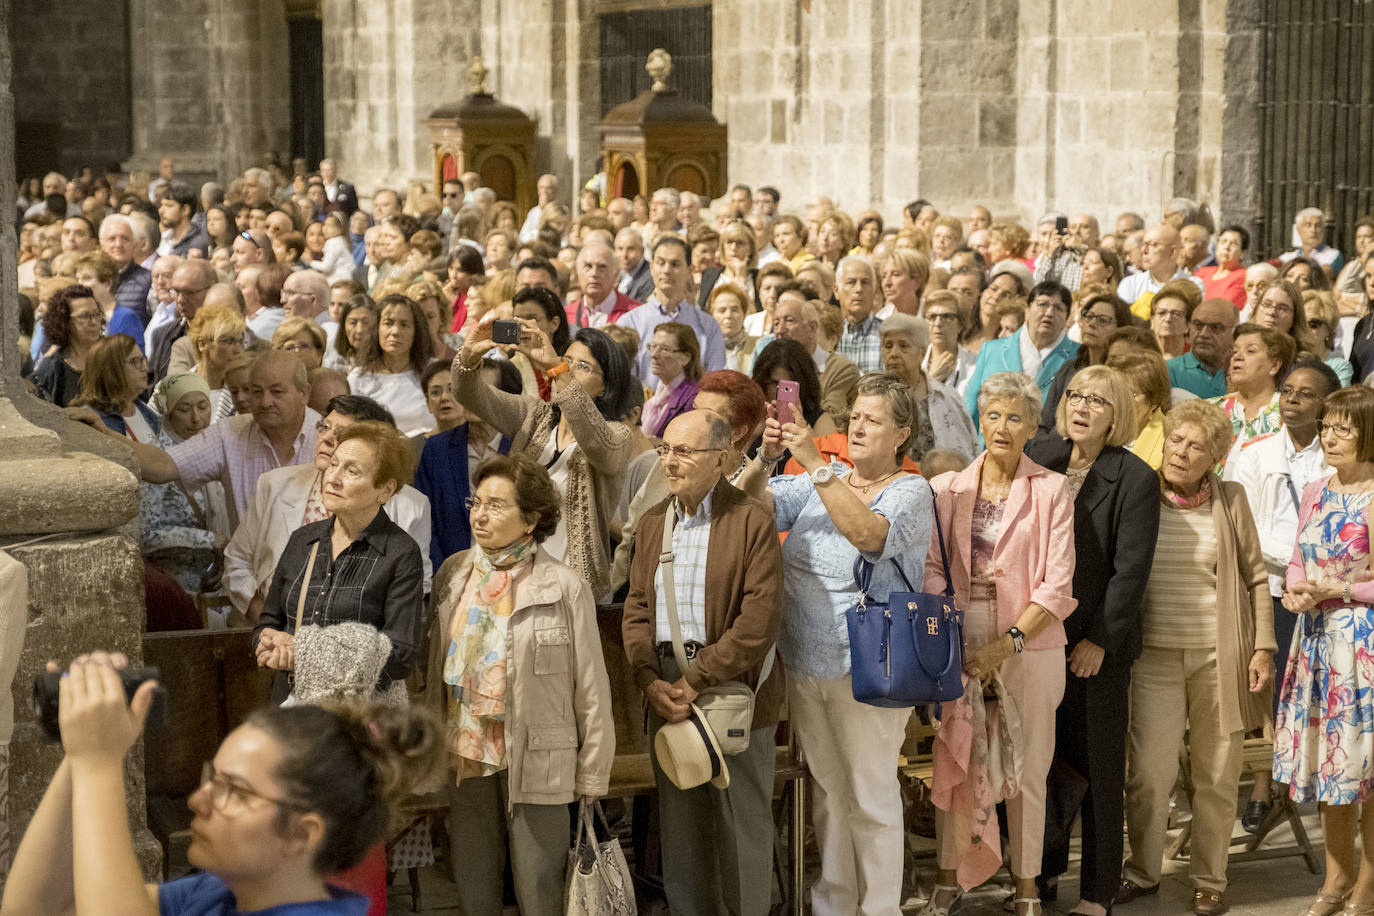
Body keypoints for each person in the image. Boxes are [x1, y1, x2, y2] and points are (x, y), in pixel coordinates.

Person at [0, 650, 441, 916]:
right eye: (213, 778)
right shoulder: (222, 893)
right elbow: (36, 910)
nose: (198, 799)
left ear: (300, 833)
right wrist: (79, 753)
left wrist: (99, 762)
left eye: (233, 790)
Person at [739, 372, 934, 916]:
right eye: (854, 418)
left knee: (870, 795)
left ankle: (878, 909)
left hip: (869, 663)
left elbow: (871, 537)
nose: (858, 426)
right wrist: (767, 455)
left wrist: (818, 465)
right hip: (804, 658)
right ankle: (834, 904)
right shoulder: (827, 477)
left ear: (902, 433)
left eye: (873, 419)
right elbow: (753, 507)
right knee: (827, 792)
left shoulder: (910, 490)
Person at [424, 453, 614, 916]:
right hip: (467, 750)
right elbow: (436, 673)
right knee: (473, 890)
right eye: (476, 502)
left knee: (540, 891)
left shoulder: (563, 585)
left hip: (540, 755)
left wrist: (593, 771)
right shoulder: (455, 573)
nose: (479, 515)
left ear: (531, 519)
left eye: (496, 505)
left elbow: (590, 686)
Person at [921, 371, 1076, 916]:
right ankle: (947, 877)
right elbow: (933, 567)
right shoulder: (947, 488)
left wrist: (1004, 644)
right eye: (993, 415)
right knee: (957, 760)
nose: (1002, 426)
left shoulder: (1053, 489)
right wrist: (961, 639)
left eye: (1015, 416)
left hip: (1029, 645)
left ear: (1033, 425)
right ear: (979, 420)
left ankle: (1027, 885)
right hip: (959, 644)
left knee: (1028, 770)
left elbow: (1057, 585)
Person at [622, 410, 784, 916]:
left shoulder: (751, 519)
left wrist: (697, 678)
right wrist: (649, 678)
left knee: (741, 824)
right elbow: (636, 610)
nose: (670, 461)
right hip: (666, 689)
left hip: (731, 688)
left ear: (722, 459)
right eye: (665, 449)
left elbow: (759, 621)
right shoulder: (653, 523)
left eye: (684, 451)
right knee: (681, 828)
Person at [1118, 398, 1275, 916]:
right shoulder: (1141, 494)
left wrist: (1263, 647)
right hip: (1152, 658)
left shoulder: (1230, 499)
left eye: (1196, 446)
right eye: (1176, 440)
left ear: (1216, 457)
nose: (1181, 452)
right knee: (1148, 773)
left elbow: (1256, 576)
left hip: (1218, 656)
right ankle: (1143, 871)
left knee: (1217, 772)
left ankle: (1211, 877)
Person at [1026, 367, 1161, 916]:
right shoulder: (1042, 456)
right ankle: (1041, 876)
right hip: (1040, 638)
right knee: (1043, 765)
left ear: (1118, 414)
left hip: (1095, 647)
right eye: (1076, 395)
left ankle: (1098, 890)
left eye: (1098, 401)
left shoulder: (1134, 476)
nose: (1082, 407)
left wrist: (1100, 641)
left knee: (1099, 769)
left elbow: (1130, 572)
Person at [1229, 358, 1341, 833]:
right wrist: (1301, 561)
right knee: (1266, 692)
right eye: (1288, 390)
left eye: (1306, 393)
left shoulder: (1337, 455)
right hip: (1270, 588)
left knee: (1316, 692)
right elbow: (1244, 526)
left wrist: (1318, 573)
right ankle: (1262, 784)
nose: (1293, 399)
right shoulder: (1255, 452)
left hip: (1324, 594)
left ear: (1326, 406)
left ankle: (1311, 778)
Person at [1275, 385, 1374, 916]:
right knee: (1333, 770)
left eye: (1344, 428)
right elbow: (1296, 557)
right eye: (1327, 426)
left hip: (1362, 645)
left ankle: (1367, 887)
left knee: (1366, 773)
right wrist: (1294, 588)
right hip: (1314, 641)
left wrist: (1336, 590)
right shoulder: (1316, 488)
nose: (1329, 436)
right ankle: (1336, 880)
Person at [454, 319, 635, 597]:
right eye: (567, 360)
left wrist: (560, 369)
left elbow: (599, 447)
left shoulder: (619, 435)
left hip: (573, 587)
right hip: (511, 577)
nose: (569, 369)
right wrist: (469, 355)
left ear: (605, 387)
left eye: (582, 367)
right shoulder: (534, 415)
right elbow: (472, 395)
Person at [253, 420, 425, 704]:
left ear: (385, 489)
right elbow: (269, 622)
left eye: (352, 471)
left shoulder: (399, 552)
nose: (333, 477)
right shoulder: (303, 541)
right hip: (294, 707)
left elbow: (400, 656)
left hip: (360, 718)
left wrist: (303, 653)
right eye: (333, 464)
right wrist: (269, 644)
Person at [226, 394, 433, 622]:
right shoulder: (273, 485)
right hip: (278, 636)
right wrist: (267, 621)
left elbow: (415, 587)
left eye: (341, 434)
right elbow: (237, 564)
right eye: (324, 427)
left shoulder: (411, 506)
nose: (326, 438)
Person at [413, 359, 514, 570]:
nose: (470, 397)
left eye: (481, 390)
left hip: (512, 572)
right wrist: (445, 573)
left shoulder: (521, 448)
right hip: (450, 573)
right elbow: (424, 523)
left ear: (505, 398)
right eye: (466, 389)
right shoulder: (436, 449)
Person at [964, 280, 1080, 425]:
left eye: (1058, 308)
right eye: (1042, 304)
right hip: (989, 444)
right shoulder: (992, 350)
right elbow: (969, 409)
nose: (1049, 313)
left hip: (1045, 445)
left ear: (1067, 318)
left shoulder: (1079, 356)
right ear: (1027, 310)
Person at [619, 236, 726, 387]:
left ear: (690, 270)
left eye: (675, 264)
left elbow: (715, 381)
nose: (666, 270)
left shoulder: (708, 326)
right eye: (661, 263)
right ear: (651, 267)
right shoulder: (629, 323)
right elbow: (622, 380)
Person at [878, 312, 978, 461]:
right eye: (888, 346)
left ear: (922, 353)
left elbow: (971, 451)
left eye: (903, 346)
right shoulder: (873, 397)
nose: (894, 353)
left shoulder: (946, 396)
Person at [1036, 291, 1135, 440]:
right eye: (1089, 316)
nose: (1092, 324)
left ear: (1120, 329)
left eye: (1103, 320)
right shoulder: (1069, 368)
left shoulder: (1123, 377)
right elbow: (1044, 424)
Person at [1208, 323, 1295, 469]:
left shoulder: (1288, 413)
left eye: (1250, 351)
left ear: (1274, 366)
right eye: (1234, 351)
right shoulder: (1209, 409)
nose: (1238, 357)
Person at [347, 293, 433, 436]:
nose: (395, 332)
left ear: (416, 332)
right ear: (377, 328)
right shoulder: (358, 378)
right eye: (388, 323)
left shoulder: (432, 373)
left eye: (404, 325)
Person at [32, 285, 104, 407]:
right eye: (85, 316)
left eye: (97, 314)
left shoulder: (115, 356)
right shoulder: (52, 370)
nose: (94, 322)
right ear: (64, 321)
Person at [1107, 350, 1172, 470]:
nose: (1119, 400)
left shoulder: (1168, 442)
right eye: (1114, 390)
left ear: (1154, 400)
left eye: (1130, 394)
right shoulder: (1097, 428)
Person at [642, 322, 702, 438]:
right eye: (653, 346)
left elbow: (688, 443)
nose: (654, 354)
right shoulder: (656, 395)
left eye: (664, 349)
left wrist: (656, 443)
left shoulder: (694, 399)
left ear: (685, 357)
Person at [186, 304, 245, 424]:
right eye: (228, 341)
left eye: (241, 342)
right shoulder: (170, 390)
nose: (239, 350)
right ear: (202, 345)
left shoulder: (246, 395)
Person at [1168, 299, 1239, 399]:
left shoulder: (1243, 371)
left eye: (1216, 328)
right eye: (1198, 325)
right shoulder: (1168, 371)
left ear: (1234, 333)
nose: (1204, 334)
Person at [1303, 290, 1355, 386]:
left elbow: (1338, 400)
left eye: (1313, 324)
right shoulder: (1287, 361)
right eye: (1301, 322)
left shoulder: (1340, 368)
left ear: (1329, 330)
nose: (1305, 329)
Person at [709, 281, 762, 375]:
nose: (728, 315)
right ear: (712, 315)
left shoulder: (759, 346)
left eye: (735, 310)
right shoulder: (703, 349)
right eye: (722, 310)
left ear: (744, 313)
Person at [1196, 225, 1249, 309]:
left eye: (1234, 244)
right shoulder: (1202, 272)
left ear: (1242, 253)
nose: (1227, 247)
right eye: (1223, 242)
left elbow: (1224, 308)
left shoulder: (1243, 277)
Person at [1148, 278, 1203, 359]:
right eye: (1161, 313)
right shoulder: (1141, 353)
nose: (1168, 319)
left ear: (1188, 325)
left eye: (1176, 314)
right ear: (1152, 321)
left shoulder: (1198, 358)